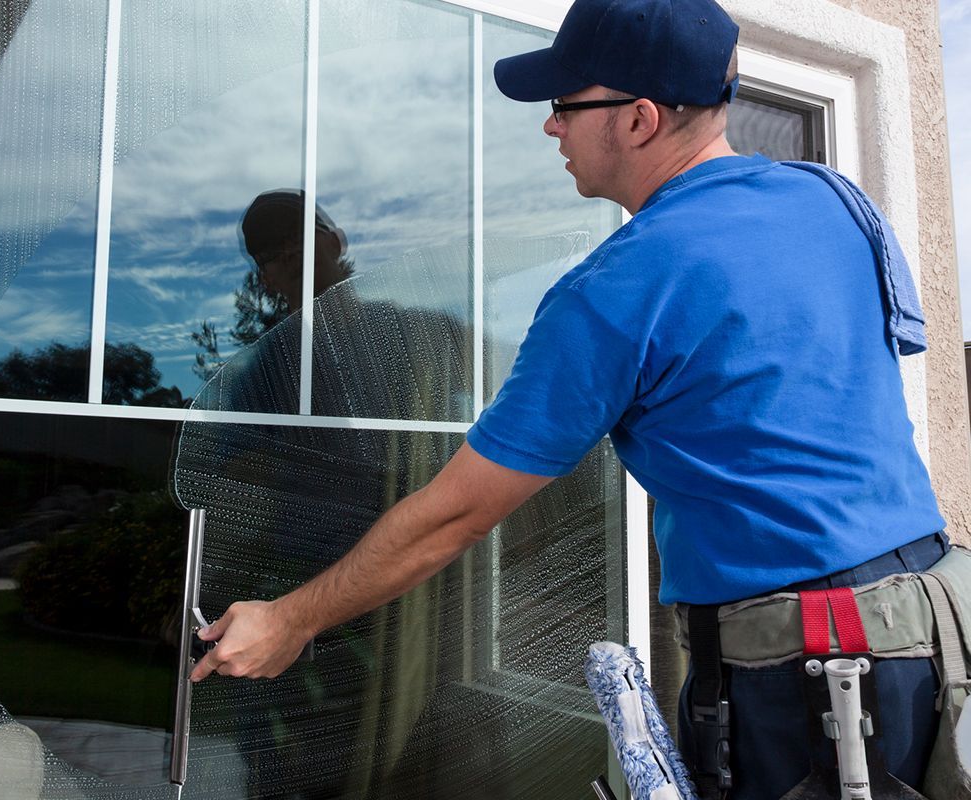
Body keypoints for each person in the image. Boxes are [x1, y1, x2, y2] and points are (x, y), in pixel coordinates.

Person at [190, 1, 952, 797]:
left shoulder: (619, 287)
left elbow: (459, 513)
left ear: (640, 119)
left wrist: (289, 620)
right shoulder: (835, 202)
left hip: (807, 681)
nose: (549, 128)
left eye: (563, 104)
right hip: (929, 629)